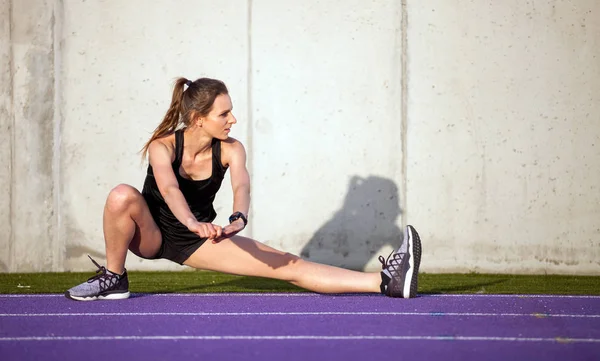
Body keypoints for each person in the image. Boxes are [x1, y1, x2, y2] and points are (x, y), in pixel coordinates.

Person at [65, 77, 422, 301]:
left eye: (231, 112)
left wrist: (238, 217)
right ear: (198, 119)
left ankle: (384, 282)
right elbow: (170, 189)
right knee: (121, 195)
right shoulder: (163, 146)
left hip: (197, 241)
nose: (233, 120)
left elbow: (242, 184)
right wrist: (191, 221)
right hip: (152, 234)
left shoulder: (231, 149)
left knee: (288, 265)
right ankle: (115, 276)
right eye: (224, 114)